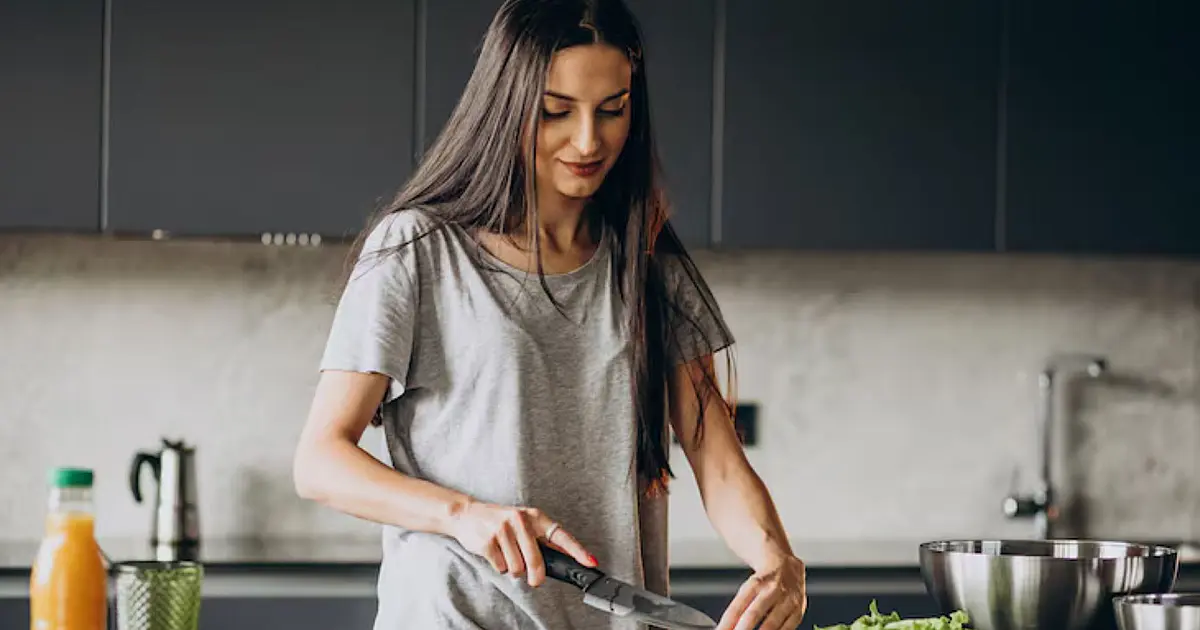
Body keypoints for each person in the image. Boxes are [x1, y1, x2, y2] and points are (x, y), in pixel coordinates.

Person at [292, 0, 807, 628]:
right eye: (555, 112)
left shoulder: (648, 265)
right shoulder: (419, 251)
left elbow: (715, 456)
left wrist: (778, 560)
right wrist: (465, 515)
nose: (589, 141)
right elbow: (320, 461)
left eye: (612, 110)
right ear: (506, 105)